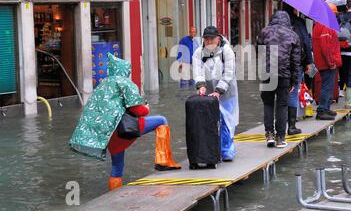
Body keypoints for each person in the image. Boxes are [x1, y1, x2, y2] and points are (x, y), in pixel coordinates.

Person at [70, 53, 181, 191]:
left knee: (117, 168)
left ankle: (113, 195)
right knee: (162, 121)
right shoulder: (125, 83)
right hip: (124, 129)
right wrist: (146, 107)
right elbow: (138, 111)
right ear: (124, 70)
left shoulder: (102, 85)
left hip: (109, 135)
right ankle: (163, 161)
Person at [193, 26, 239, 161]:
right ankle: (213, 149)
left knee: (227, 122)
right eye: (206, 39)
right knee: (211, 121)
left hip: (227, 93)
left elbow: (229, 73)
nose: (208, 42)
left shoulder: (227, 52)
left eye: (211, 39)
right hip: (208, 95)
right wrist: (201, 86)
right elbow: (197, 71)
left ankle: (227, 150)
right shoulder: (198, 53)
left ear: (218, 38)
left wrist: (219, 91)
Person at [258, 11, 301, 148]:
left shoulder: (264, 32)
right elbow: (295, 61)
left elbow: (259, 53)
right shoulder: (293, 35)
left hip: (267, 73)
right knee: (282, 105)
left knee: (268, 104)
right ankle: (280, 138)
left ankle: (269, 134)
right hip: (284, 74)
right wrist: (294, 81)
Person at [284, 3, 314, 135]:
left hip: (278, 64)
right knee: (293, 90)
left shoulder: (273, 24)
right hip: (297, 63)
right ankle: (291, 125)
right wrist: (309, 62)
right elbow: (306, 42)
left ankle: (280, 123)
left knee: (279, 92)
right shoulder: (299, 22)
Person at [312, 18, 342, 120]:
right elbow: (326, 47)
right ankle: (322, 110)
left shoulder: (319, 25)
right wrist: (331, 62)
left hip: (323, 61)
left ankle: (325, 108)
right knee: (327, 86)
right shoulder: (326, 27)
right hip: (327, 62)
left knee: (328, 85)